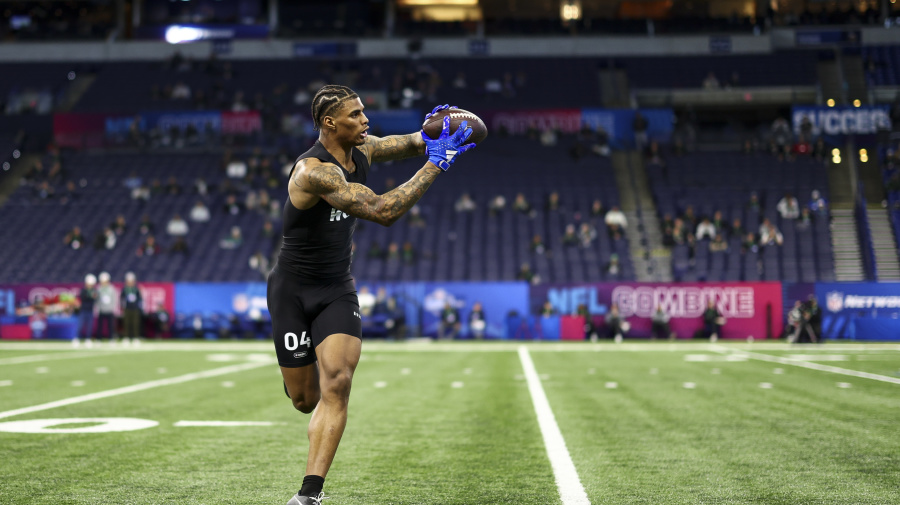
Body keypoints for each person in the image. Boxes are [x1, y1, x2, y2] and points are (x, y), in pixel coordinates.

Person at [266, 89, 475, 505]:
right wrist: (437, 163)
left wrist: (445, 128)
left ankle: (309, 493)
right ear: (330, 123)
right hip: (291, 290)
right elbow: (383, 210)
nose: (366, 120)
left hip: (336, 287)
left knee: (339, 382)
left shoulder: (367, 149)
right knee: (305, 400)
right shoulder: (314, 172)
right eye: (356, 114)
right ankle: (300, 388)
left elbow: (416, 140)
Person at [76, 274, 98, 348]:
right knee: (80, 325)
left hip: (90, 310)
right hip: (83, 310)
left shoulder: (94, 291)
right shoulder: (83, 290)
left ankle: (88, 339)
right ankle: (77, 338)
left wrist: (91, 296)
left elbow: (95, 298)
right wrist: (90, 296)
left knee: (89, 326)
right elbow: (84, 298)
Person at [120, 272, 143, 345]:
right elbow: (121, 298)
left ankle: (136, 337)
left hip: (135, 308)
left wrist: (139, 307)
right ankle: (126, 337)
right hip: (127, 308)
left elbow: (140, 299)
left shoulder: (136, 289)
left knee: (135, 323)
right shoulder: (125, 289)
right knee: (127, 323)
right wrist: (122, 307)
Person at [96, 271, 117, 342]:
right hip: (101, 309)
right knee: (100, 326)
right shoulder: (99, 289)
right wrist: (98, 307)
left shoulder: (111, 289)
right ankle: (98, 339)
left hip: (109, 309)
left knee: (110, 326)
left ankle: (111, 338)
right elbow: (97, 299)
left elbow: (114, 299)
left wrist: (112, 307)